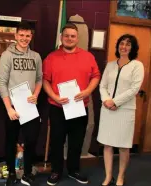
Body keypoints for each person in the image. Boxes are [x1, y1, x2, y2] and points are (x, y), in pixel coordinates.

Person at [42, 23, 101, 186]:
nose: (69, 38)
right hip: (57, 107)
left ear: (77, 38)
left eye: (73, 36)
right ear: (61, 37)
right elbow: (45, 80)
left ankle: (74, 170)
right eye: (66, 35)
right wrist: (54, 95)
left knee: (76, 141)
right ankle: (56, 171)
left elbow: (96, 76)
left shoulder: (88, 56)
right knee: (57, 141)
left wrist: (88, 91)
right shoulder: (51, 57)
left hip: (79, 106)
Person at [0, 22, 43, 186]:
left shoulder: (36, 57)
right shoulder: (7, 56)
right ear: (16, 36)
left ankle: (28, 172)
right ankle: (11, 172)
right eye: (21, 35)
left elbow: (39, 79)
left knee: (31, 140)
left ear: (31, 37)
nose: (24, 38)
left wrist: (36, 95)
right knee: (11, 139)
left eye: (28, 35)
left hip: (30, 106)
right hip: (12, 107)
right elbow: (2, 83)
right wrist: (9, 107)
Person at [97, 34, 144, 186]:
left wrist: (116, 101)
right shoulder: (110, 65)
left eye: (128, 44)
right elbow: (102, 85)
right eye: (121, 43)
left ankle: (120, 177)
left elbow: (134, 89)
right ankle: (108, 176)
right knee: (107, 144)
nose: (124, 47)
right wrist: (106, 100)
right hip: (107, 109)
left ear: (133, 48)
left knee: (123, 146)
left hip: (125, 110)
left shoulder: (137, 65)